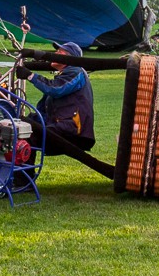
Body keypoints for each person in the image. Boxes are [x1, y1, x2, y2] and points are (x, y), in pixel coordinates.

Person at [15, 43, 112, 178]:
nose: (55, 55)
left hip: (73, 130)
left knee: (30, 135)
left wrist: (31, 76)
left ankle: (23, 182)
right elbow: (44, 109)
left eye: (60, 53)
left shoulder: (76, 71)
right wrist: (29, 120)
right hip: (62, 126)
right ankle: (17, 177)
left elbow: (56, 89)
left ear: (70, 59)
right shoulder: (65, 75)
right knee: (25, 128)